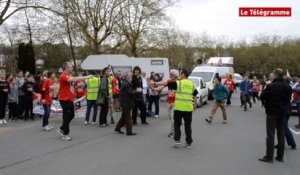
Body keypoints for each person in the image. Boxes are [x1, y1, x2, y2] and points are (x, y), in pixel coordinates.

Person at [152, 69, 198, 148]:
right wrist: (195, 105)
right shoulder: (192, 84)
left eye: (181, 73)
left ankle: (177, 141)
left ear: (183, 74)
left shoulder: (178, 83)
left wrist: (155, 83)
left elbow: (166, 83)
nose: (179, 75)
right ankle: (188, 143)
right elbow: (195, 95)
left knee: (177, 125)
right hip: (188, 108)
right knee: (188, 126)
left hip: (179, 107)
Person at [259, 68, 292, 163]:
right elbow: (287, 100)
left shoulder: (271, 86)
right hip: (282, 113)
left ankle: (269, 157)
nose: (272, 76)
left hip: (271, 112)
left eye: (273, 74)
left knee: (270, 134)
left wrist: (267, 101)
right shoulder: (287, 87)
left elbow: (262, 97)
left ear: (275, 75)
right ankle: (280, 156)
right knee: (281, 134)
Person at [57, 62, 93, 141]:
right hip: (64, 99)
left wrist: (77, 88)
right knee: (66, 117)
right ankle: (65, 134)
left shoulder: (69, 75)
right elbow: (74, 79)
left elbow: (70, 85)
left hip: (70, 99)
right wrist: (87, 77)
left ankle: (62, 128)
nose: (72, 67)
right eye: (70, 66)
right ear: (66, 67)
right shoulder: (63, 75)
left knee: (72, 115)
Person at [115, 72, 142, 136]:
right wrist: (137, 90)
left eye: (131, 75)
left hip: (126, 102)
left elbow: (130, 91)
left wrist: (135, 90)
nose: (131, 76)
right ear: (126, 76)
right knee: (128, 117)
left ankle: (117, 128)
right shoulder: (125, 83)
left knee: (124, 117)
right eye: (130, 75)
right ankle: (129, 131)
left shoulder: (127, 82)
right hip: (126, 103)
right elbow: (130, 92)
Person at [155, 69, 179, 137]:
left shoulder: (178, 82)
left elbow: (163, 83)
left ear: (176, 75)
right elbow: (162, 86)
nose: (170, 75)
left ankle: (173, 132)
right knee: (170, 117)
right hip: (169, 102)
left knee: (173, 117)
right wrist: (155, 89)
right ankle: (177, 123)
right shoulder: (169, 81)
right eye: (170, 74)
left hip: (176, 102)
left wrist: (155, 83)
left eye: (172, 74)